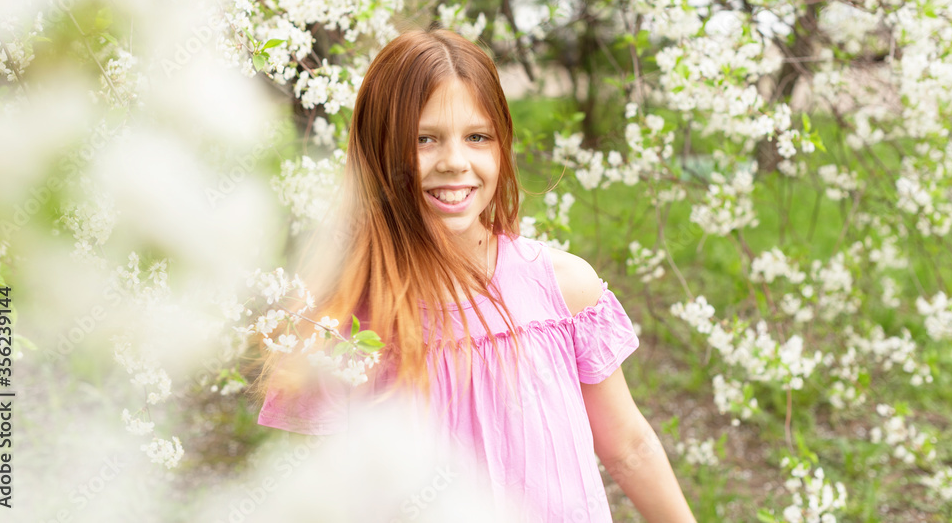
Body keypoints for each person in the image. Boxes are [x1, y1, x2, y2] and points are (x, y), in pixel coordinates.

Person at [254, 29, 697, 522]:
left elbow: (628, 446)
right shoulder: (344, 327)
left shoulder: (564, 291)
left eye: (477, 137)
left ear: (501, 145)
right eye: (424, 139)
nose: (454, 162)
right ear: (378, 153)